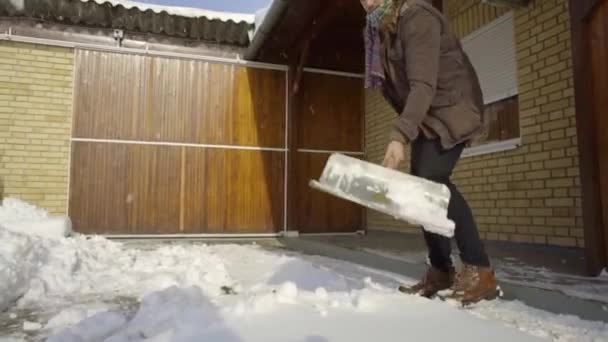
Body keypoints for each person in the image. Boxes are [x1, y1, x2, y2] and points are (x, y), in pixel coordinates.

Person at [360, 0, 499, 305]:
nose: (367, 1)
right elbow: (399, 90)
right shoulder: (379, 33)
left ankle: (481, 272)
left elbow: (422, 85)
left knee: (433, 180)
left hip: (455, 107)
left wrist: (399, 136)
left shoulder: (417, 17)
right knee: (421, 189)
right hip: (430, 117)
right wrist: (409, 128)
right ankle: (441, 270)